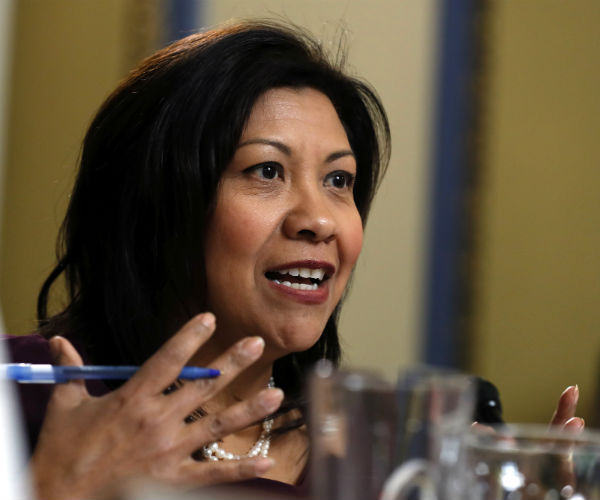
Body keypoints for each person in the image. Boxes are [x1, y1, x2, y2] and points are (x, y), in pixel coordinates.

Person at [2, 19, 583, 500]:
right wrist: (56, 489)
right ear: (159, 203)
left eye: (339, 180)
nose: (321, 220)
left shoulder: (389, 466)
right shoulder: (26, 398)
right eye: (267, 171)